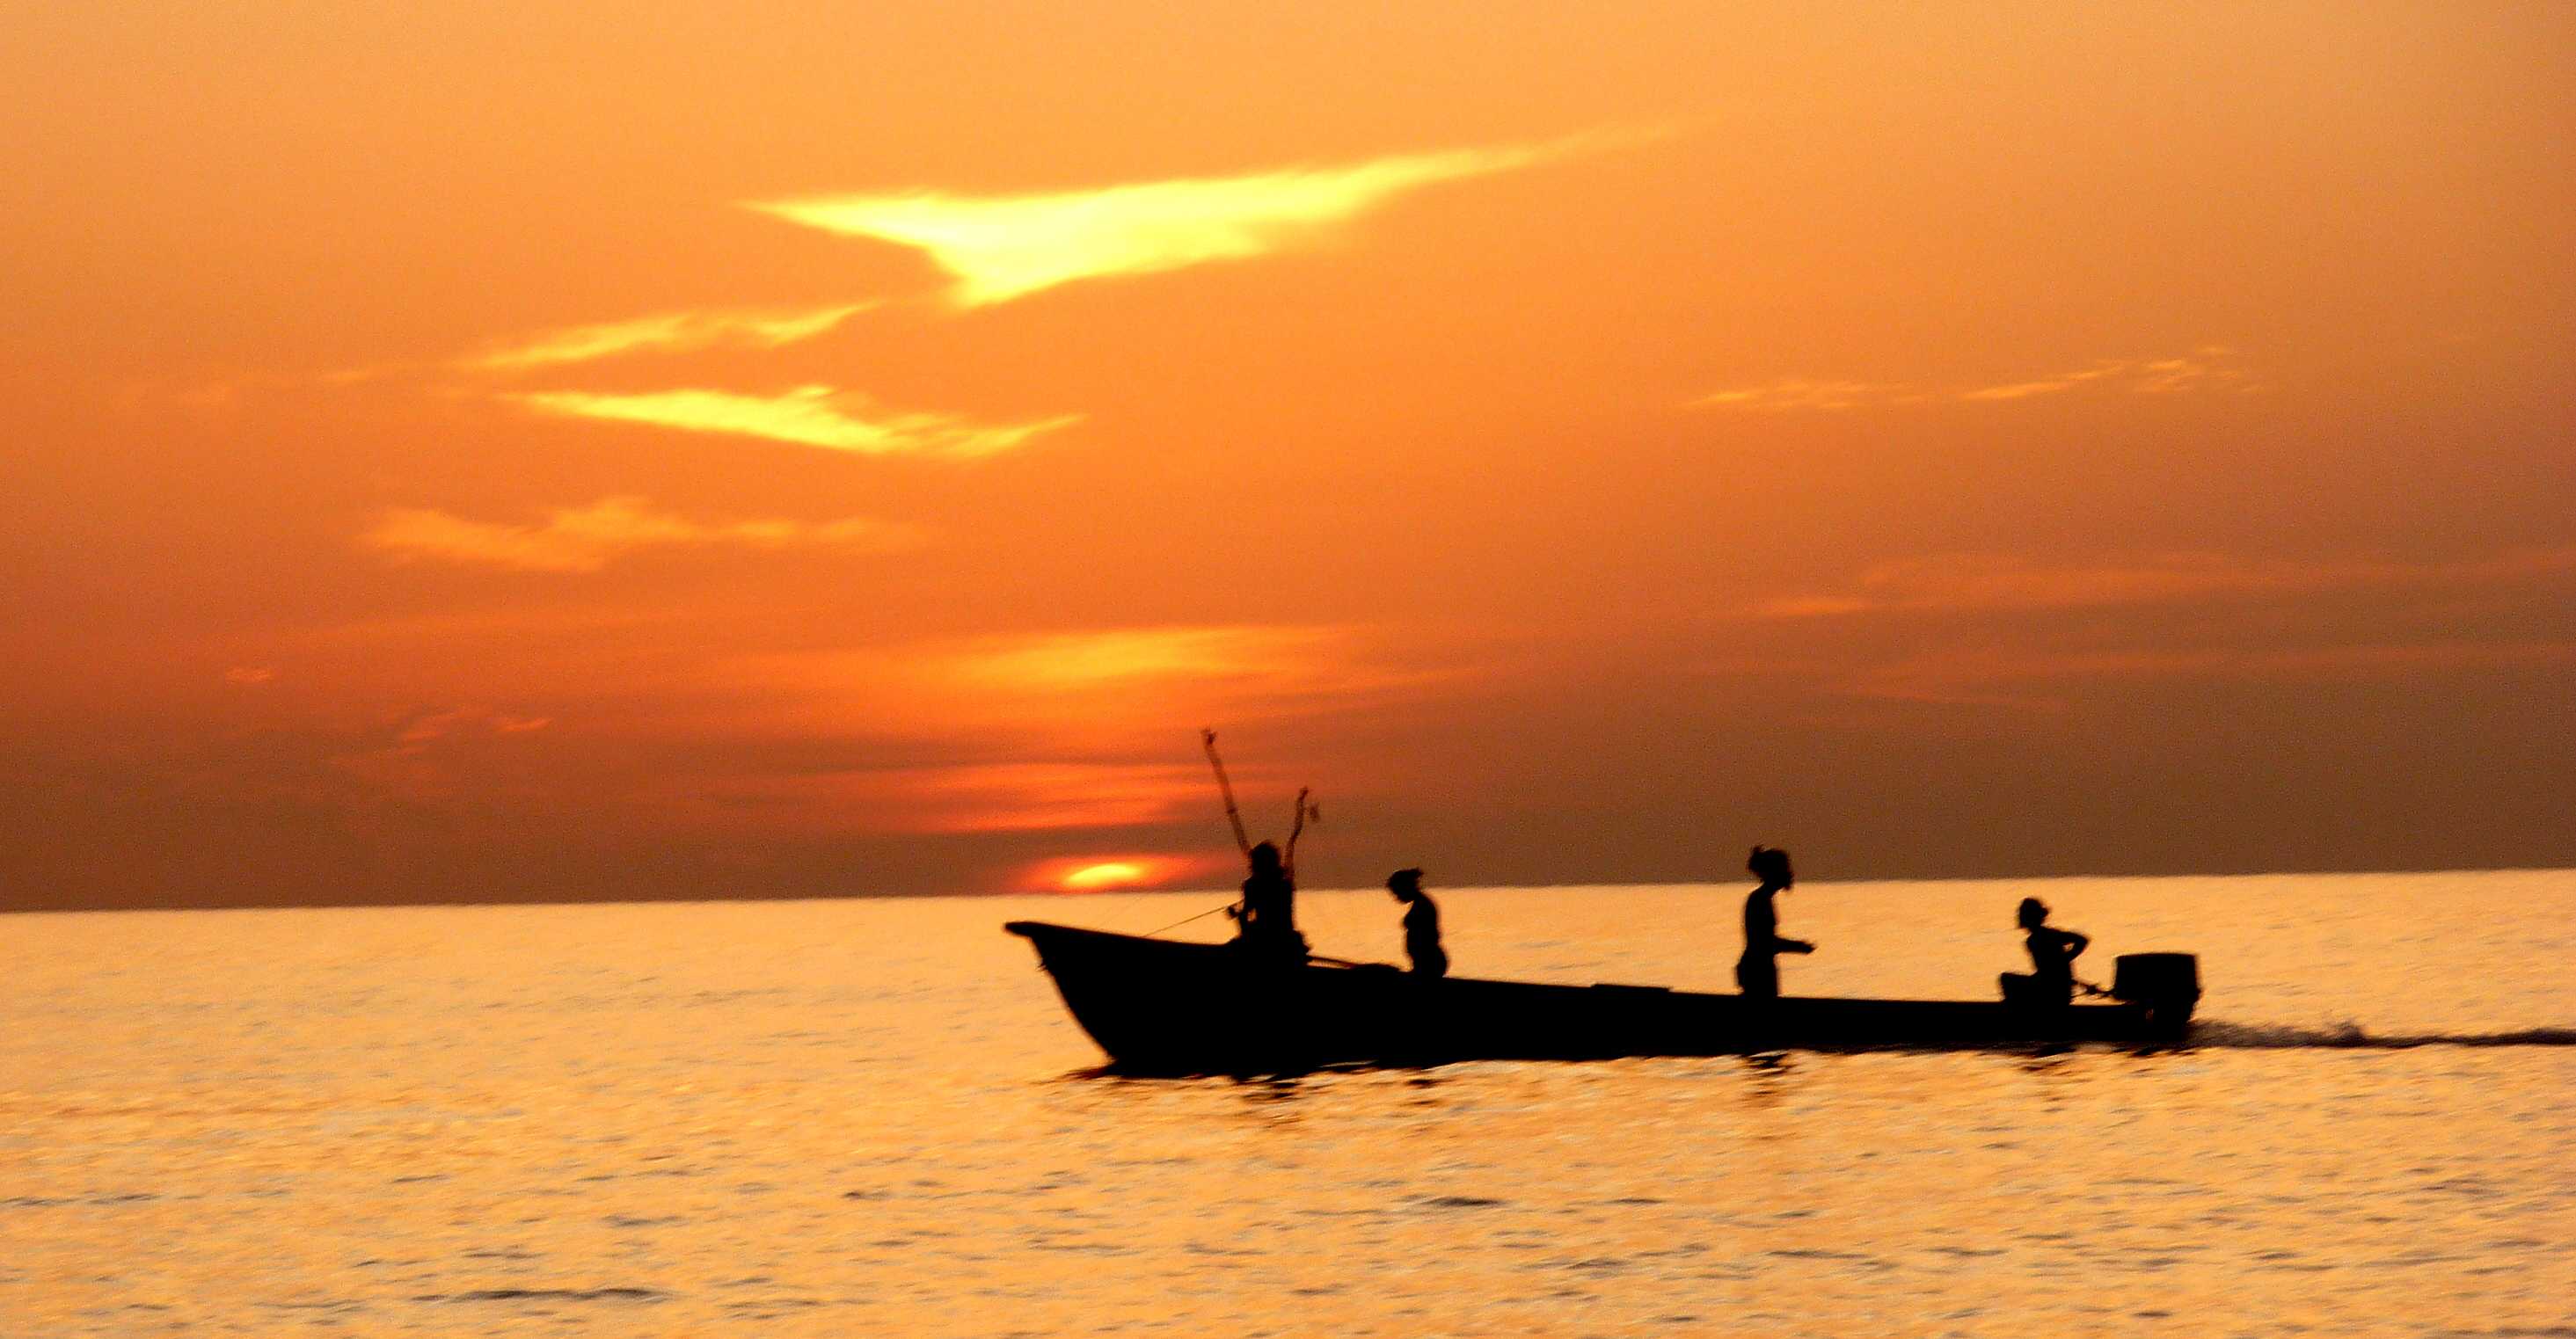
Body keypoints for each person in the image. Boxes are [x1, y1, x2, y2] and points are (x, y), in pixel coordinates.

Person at [1735, 846, 1813, 999]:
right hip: (1757, 971)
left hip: (1758, 969)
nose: (1789, 873)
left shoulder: (1762, 899)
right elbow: (1764, 942)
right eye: (1784, 868)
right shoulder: (1759, 901)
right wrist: (1797, 946)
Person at [2001, 896, 2090, 1008]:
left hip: (2054, 992)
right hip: (2059, 989)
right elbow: (2082, 940)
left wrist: (2066, 958)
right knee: (2010, 980)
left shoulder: (2042, 937)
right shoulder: (2045, 936)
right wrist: (2065, 959)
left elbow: (2082, 940)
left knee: (2006, 978)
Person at [1229, 841, 1309, 962]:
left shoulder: (1252, 885)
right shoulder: (1286, 885)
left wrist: (1236, 915)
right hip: (1288, 941)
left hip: (1262, 943)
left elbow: (1245, 924)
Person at [1385, 868, 1448, 979]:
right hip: (1423, 965)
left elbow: (1429, 937)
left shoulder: (1423, 906)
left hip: (1429, 965)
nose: (1396, 897)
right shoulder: (1420, 903)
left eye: (1397, 892)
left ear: (1405, 888)